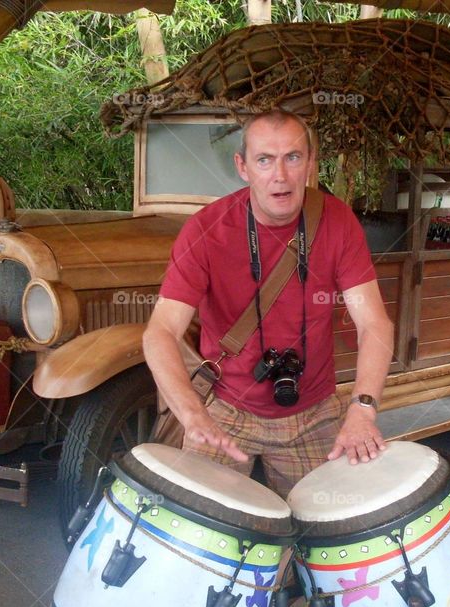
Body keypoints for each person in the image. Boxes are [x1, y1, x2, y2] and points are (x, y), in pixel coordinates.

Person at [142, 109, 394, 499]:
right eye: (265, 160)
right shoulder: (206, 229)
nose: (280, 175)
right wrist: (192, 415)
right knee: (204, 527)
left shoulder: (338, 221)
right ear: (242, 166)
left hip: (315, 410)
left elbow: (374, 324)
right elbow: (160, 332)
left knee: (329, 532)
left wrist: (363, 409)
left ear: (311, 164)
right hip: (225, 410)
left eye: (293, 157)